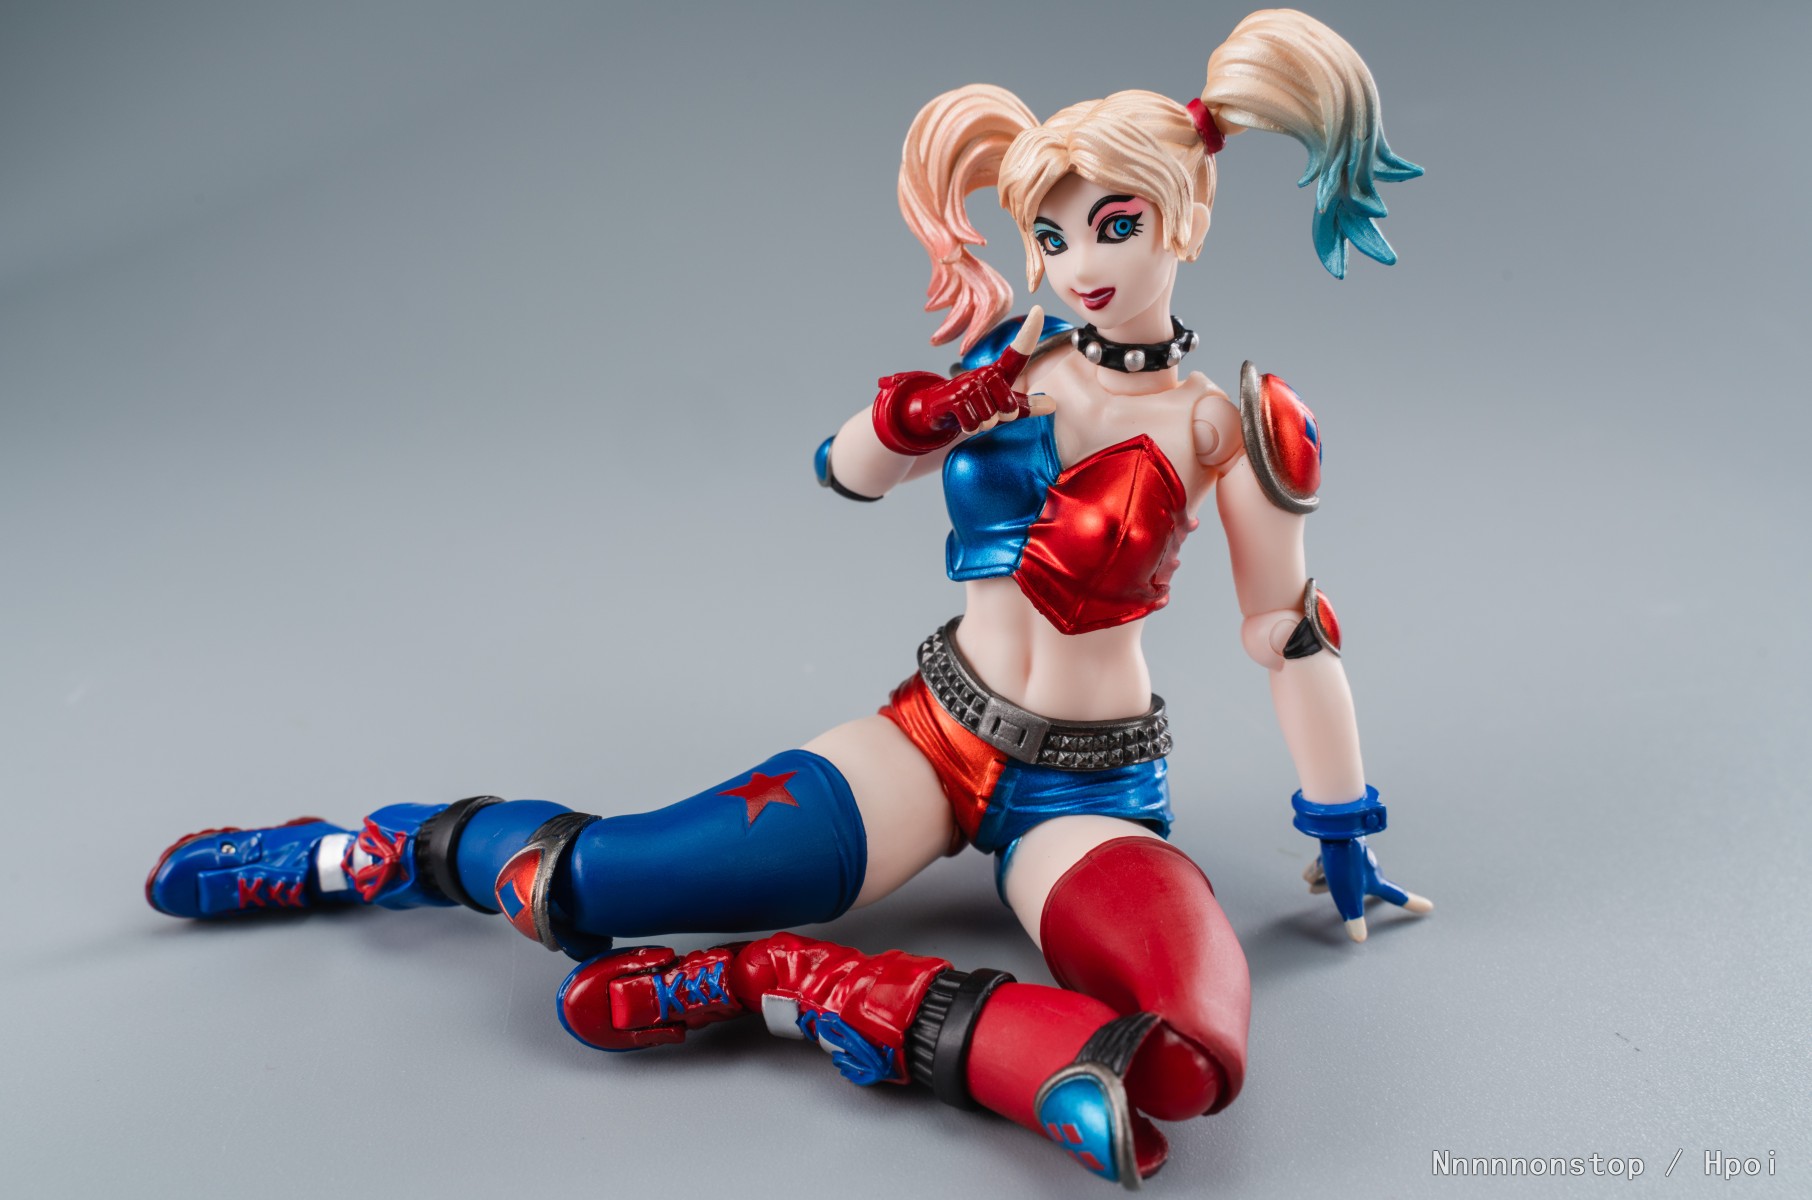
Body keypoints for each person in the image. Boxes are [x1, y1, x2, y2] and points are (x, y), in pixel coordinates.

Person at [144, 9, 1432, 1186]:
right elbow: (843, 473)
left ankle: (792, 981)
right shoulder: (1014, 363)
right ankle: (364, 853)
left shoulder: (1224, 425)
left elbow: (1288, 633)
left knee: (1190, 1056)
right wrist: (925, 412)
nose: (1080, 263)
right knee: (586, 884)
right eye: (1050, 236)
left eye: (1115, 225)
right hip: (930, 740)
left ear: (1182, 221)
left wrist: (1341, 828)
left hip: (1090, 791)